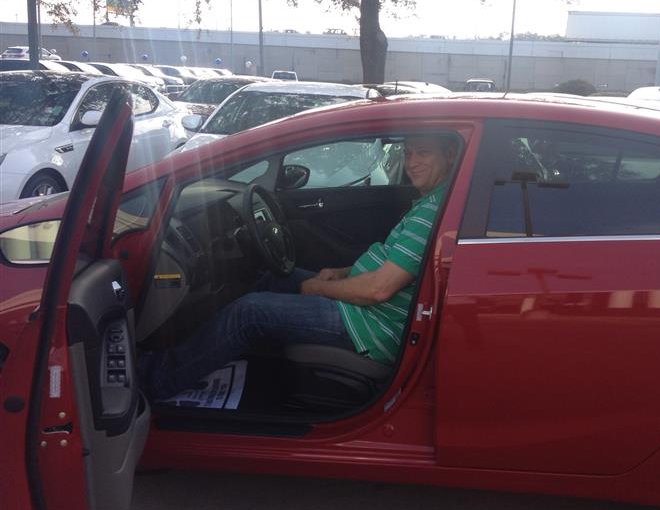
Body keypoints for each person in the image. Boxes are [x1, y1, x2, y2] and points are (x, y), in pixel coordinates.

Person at [141, 133, 458, 400]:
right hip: (369, 312)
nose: (412, 162)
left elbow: (378, 289)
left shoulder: (431, 213)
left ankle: (156, 379)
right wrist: (342, 273)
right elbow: (391, 262)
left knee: (249, 312)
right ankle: (212, 350)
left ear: (449, 156)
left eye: (423, 153)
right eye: (409, 153)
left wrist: (319, 288)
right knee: (274, 279)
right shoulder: (434, 202)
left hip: (370, 326)